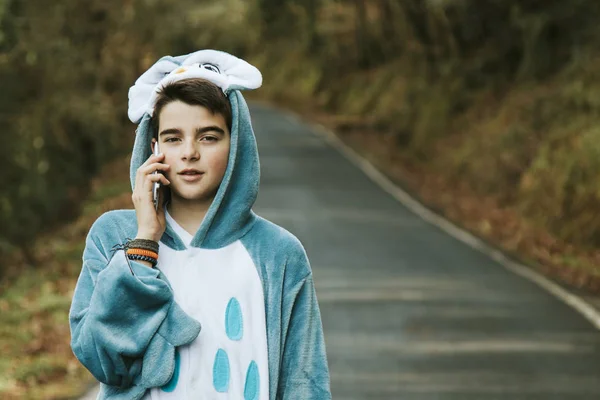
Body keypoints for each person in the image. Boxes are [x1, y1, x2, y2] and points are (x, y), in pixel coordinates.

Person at [68, 49, 331, 400]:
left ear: (235, 143)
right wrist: (145, 242)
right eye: (174, 138)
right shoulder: (115, 236)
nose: (189, 152)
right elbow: (103, 359)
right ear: (154, 146)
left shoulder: (278, 252)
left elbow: (304, 381)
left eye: (208, 137)